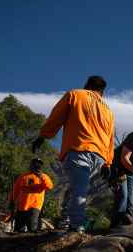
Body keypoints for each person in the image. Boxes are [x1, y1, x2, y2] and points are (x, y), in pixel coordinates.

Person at [32, 76, 114, 233]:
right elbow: (110, 138)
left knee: (79, 190)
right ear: (102, 92)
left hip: (79, 150)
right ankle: (68, 221)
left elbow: (56, 116)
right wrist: (108, 162)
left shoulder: (76, 95)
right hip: (99, 157)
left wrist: (43, 135)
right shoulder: (108, 111)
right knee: (78, 188)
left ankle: (76, 228)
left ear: (86, 85)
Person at [8, 158, 54, 232]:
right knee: (18, 229)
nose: (36, 166)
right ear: (31, 165)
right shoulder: (23, 176)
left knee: (32, 228)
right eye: (34, 164)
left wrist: (41, 176)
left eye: (38, 164)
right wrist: (12, 201)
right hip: (21, 207)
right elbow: (15, 190)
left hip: (35, 206)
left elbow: (50, 186)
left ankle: (31, 241)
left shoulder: (44, 176)